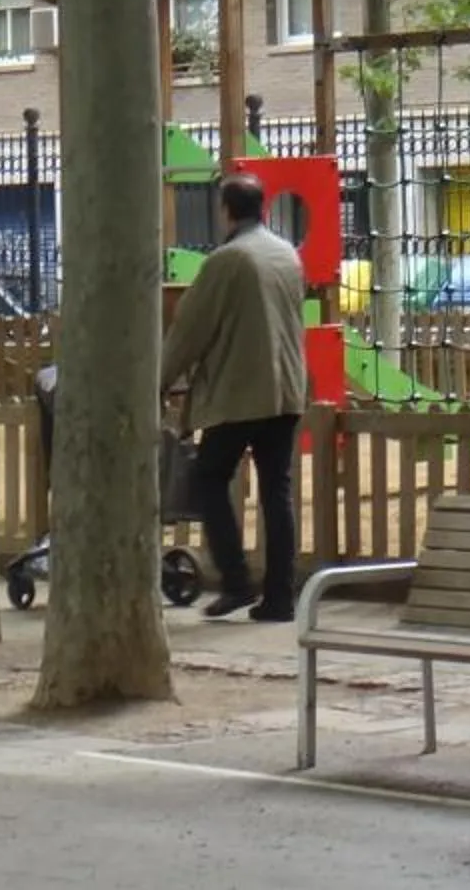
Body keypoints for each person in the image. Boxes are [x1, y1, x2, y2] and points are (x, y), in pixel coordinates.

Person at [164, 172, 312, 623]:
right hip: (286, 390)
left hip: (240, 390)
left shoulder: (227, 260)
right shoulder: (287, 253)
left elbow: (190, 329)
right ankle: (280, 597)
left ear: (225, 209)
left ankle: (235, 580)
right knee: (276, 491)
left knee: (209, 478)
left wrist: (160, 379)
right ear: (262, 206)